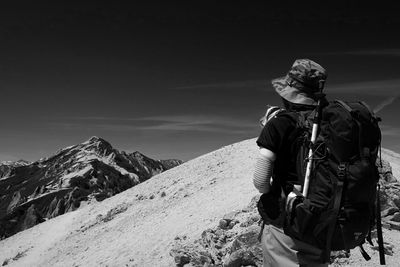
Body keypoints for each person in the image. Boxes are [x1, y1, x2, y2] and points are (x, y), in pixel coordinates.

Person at [253, 59, 329, 267]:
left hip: (286, 222)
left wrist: (271, 192)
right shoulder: (330, 123)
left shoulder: (279, 123)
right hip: (323, 220)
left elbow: (260, 180)